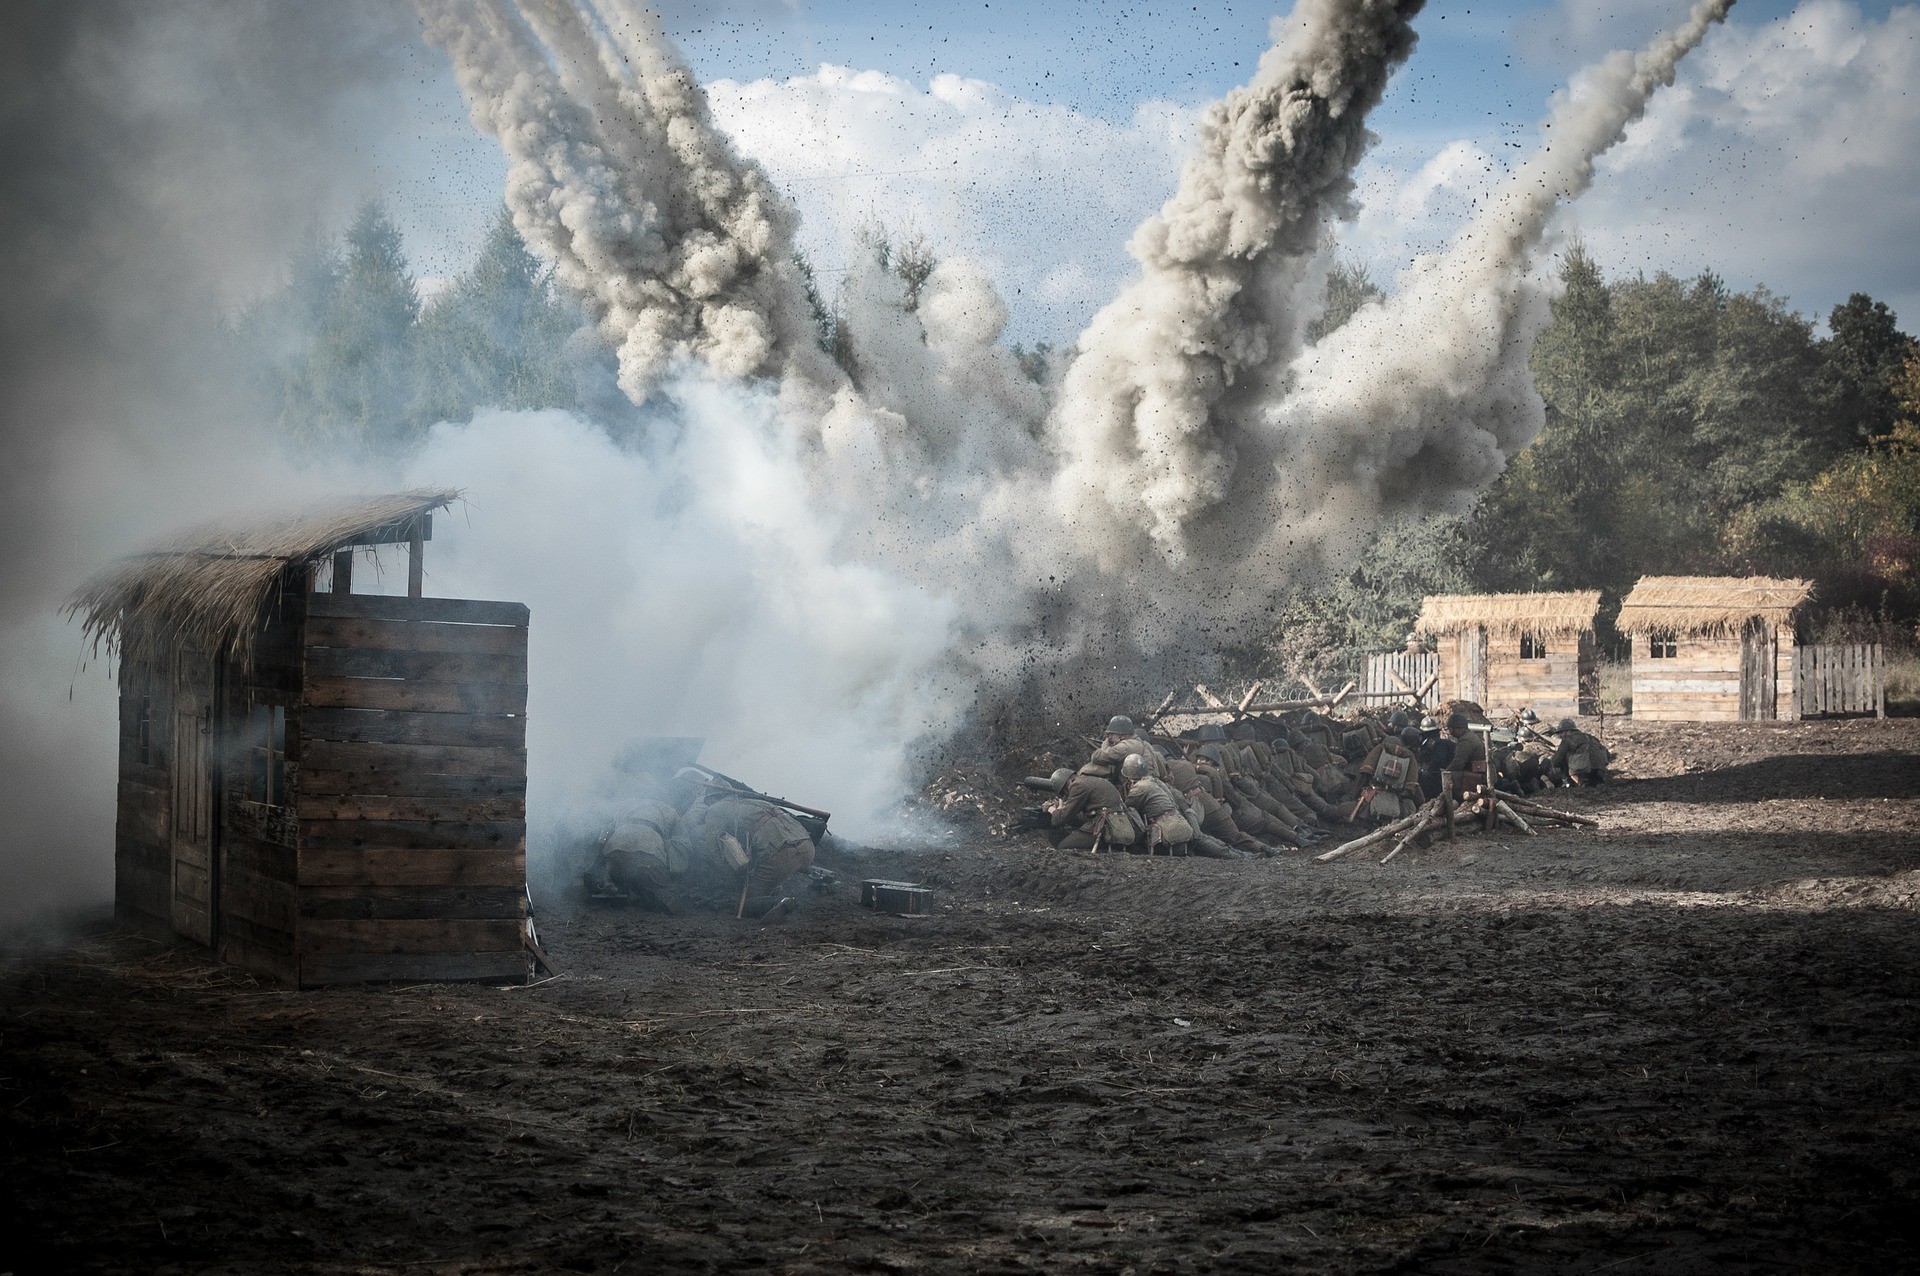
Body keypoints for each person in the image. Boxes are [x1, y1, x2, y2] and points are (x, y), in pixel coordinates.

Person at [670, 789, 818, 920]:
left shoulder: (716, 809)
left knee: (745, 904)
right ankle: (774, 892)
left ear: (711, 798)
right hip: (807, 847)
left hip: (782, 855)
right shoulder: (754, 802)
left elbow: (714, 849)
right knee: (767, 878)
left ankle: (779, 902)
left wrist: (731, 877)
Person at [587, 798, 685, 912]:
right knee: (669, 895)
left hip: (616, 847)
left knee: (622, 871)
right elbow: (682, 843)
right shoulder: (669, 810)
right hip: (649, 850)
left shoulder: (626, 807)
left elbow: (603, 837)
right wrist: (676, 872)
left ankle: (615, 889)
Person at [1047, 759, 1139, 850]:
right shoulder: (1092, 781)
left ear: (1068, 783)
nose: (1066, 795)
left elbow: (1061, 818)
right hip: (1118, 825)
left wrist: (1053, 809)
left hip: (1104, 827)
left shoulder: (1077, 785)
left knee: (1063, 846)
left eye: (1064, 792)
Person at [1121, 754, 1197, 854]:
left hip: (1166, 832)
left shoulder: (1138, 787)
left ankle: (1132, 844)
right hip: (1182, 825)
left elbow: (1130, 807)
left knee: (1130, 812)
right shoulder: (1157, 782)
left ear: (1128, 774)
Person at [1355, 729, 1422, 822]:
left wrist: (1355, 794)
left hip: (1373, 797)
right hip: (1396, 803)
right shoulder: (1408, 760)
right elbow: (1413, 789)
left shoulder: (1377, 753)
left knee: (1346, 809)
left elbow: (1364, 776)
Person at [1552, 718, 1613, 785]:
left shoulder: (1568, 739)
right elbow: (1608, 755)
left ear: (1568, 731)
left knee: (1562, 759)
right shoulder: (1591, 737)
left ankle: (1570, 783)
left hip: (1581, 772)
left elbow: (1556, 761)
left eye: (1561, 732)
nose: (1560, 735)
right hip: (1599, 770)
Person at [1443, 711, 1489, 796]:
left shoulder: (1466, 741)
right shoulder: (1468, 736)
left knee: (1447, 777)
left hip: (1475, 776)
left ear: (1458, 728)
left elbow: (1458, 763)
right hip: (1474, 772)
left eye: (1451, 729)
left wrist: (1445, 772)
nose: (1450, 732)